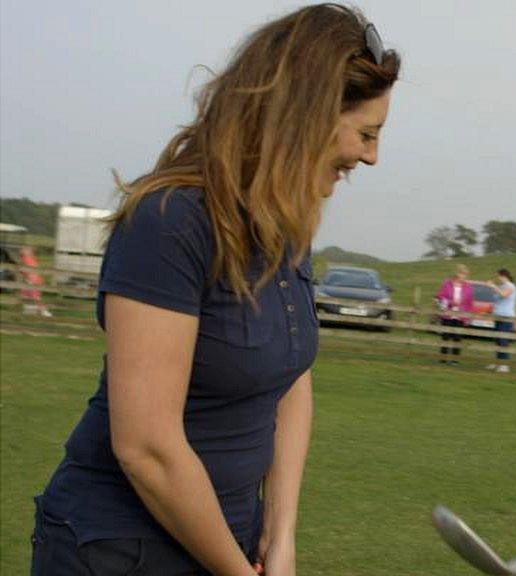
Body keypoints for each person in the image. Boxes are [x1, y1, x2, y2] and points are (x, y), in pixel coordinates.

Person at [31, 5, 399, 575]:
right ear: (307, 116)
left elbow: (290, 383)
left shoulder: (285, 232)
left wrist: (280, 538)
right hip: (120, 551)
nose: (372, 156)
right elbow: (147, 448)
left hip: (231, 540)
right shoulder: (170, 222)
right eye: (366, 133)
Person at [435, 264, 475, 365]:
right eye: (462, 274)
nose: (464, 276)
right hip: (448, 314)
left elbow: (469, 303)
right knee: (445, 336)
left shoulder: (468, 287)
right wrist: (450, 302)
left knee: (457, 337)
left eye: (465, 274)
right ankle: (443, 358)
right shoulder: (447, 284)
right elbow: (440, 297)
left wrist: (468, 317)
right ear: (457, 273)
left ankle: (455, 360)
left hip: (460, 315)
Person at [486, 268, 516, 373]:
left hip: (506, 317)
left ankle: (504, 364)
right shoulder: (501, 286)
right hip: (498, 316)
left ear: (503, 276)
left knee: (503, 340)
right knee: (498, 340)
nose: (497, 278)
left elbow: (504, 295)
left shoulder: (511, 286)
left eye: (497, 276)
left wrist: (493, 286)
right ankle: (497, 362)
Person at [18, 246, 51, 317]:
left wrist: (31, 280)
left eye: (25, 249)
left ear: (30, 252)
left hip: (33, 281)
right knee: (26, 296)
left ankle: (43, 311)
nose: (22, 250)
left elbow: (32, 271)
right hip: (28, 280)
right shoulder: (25, 259)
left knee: (35, 297)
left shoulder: (29, 259)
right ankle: (30, 311)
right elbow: (22, 271)